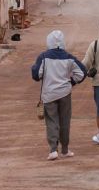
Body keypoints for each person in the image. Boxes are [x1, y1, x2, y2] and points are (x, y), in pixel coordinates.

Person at [31, 30, 86, 161]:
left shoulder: (43, 57)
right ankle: (65, 150)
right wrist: (71, 82)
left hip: (49, 94)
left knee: (52, 121)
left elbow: (36, 75)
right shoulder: (69, 57)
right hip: (65, 93)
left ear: (48, 41)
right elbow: (82, 72)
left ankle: (53, 150)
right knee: (65, 121)